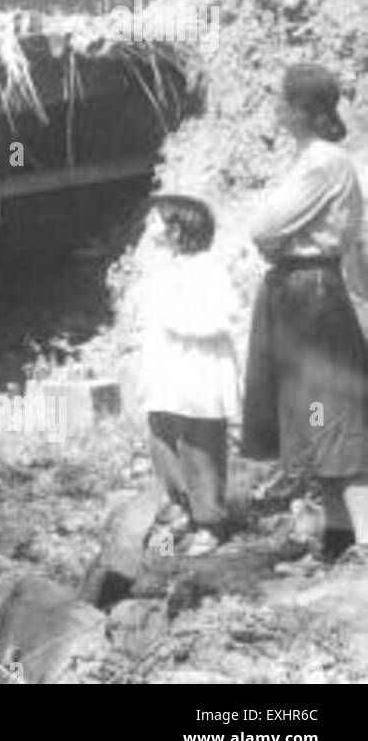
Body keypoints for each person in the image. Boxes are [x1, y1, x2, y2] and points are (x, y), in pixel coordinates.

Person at [243, 63, 368, 565]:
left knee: (331, 413)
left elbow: (265, 227)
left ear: (308, 111)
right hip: (298, 292)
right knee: (313, 417)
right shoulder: (308, 159)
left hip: (312, 291)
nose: (277, 108)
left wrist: (273, 235)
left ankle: (362, 540)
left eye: (285, 101)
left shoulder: (323, 162)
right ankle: (337, 541)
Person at [137, 194, 241, 556]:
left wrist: (179, 321)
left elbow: (223, 317)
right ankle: (180, 509)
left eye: (155, 221)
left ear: (176, 231)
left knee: (198, 445)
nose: (148, 227)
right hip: (166, 374)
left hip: (197, 373)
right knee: (163, 441)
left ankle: (210, 522)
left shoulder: (207, 269)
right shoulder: (165, 269)